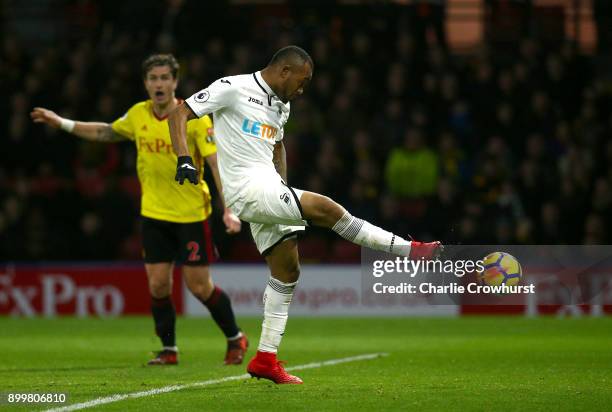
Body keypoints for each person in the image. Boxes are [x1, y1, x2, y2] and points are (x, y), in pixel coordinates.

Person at [168, 46, 442, 384]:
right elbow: (180, 114)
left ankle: (265, 358)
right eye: (302, 81)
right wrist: (183, 157)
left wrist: (283, 187)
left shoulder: (282, 107)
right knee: (327, 208)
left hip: (268, 188)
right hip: (245, 189)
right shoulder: (232, 87)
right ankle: (410, 251)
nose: (303, 89)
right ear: (285, 70)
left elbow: (277, 147)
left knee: (287, 271)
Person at [30, 54, 249, 366]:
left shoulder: (196, 118)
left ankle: (234, 337)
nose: (158, 84)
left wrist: (230, 210)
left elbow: (216, 165)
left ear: (175, 82)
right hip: (154, 215)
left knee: (199, 287)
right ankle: (169, 350)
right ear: (146, 83)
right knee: (158, 284)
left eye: (164, 78)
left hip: (191, 214)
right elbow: (105, 132)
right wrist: (61, 122)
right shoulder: (138, 115)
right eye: (153, 78)